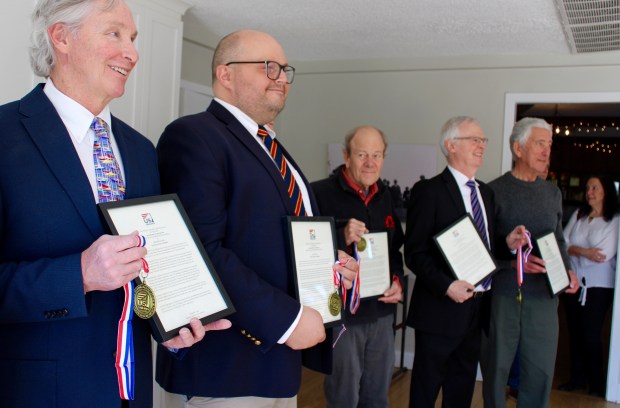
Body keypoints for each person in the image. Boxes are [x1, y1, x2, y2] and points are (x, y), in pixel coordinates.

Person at [0, 1, 228, 407]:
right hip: (40, 392)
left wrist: (169, 324)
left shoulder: (140, 150)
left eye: (134, 38)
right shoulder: (4, 136)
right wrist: (80, 274)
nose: (133, 53)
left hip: (132, 392)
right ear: (61, 37)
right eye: (114, 33)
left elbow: (144, 272)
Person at [155, 30, 359, 407]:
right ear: (226, 74)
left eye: (284, 69)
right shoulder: (193, 136)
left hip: (279, 366)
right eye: (268, 67)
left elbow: (276, 237)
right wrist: (288, 320)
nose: (281, 77)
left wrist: (332, 264)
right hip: (226, 369)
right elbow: (199, 252)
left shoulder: (272, 147)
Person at [405, 116, 525, 408]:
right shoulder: (428, 191)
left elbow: (484, 244)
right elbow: (415, 253)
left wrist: (507, 243)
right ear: (451, 145)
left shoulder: (486, 193)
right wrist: (448, 286)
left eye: (483, 140)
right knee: (425, 391)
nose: (482, 146)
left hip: (477, 309)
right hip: (439, 310)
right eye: (475, 139)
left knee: (461, 391)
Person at [481, 117, 578, 408]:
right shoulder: (492, 192)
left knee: (540, 371)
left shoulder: (552, 193)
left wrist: (569, 269)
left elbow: (559, 240)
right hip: (504, 295)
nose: (546, 151)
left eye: (549, 145)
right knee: (497, 369)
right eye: (539, 143)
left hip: (545, 298)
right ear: (518, 148)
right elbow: (482, 249)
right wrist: (511, 262)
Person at [311, 125, 405, 407]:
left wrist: (397, 280)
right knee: (344, 397)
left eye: (377, 155)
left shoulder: (387, 196)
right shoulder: (319, 193)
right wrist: (340, 236)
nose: (370, 162)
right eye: (362, 154)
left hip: (382, 313)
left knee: (377, 396)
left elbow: (394, 250)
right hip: (343, 317)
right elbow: (306, 250)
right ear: (346, 155)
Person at [560, 175, 619, 397]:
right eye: (587, 187)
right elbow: (563, 243)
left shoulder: (614, 220)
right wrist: (583, 252)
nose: (589, 191)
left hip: (599, 286)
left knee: (591, 335)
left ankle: (597, 383)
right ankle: (576, 379)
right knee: (574, 332)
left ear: (606, 192)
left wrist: (575, 251)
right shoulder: (580, 215)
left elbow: (603, 255)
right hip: (574, 282)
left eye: (595, 187)